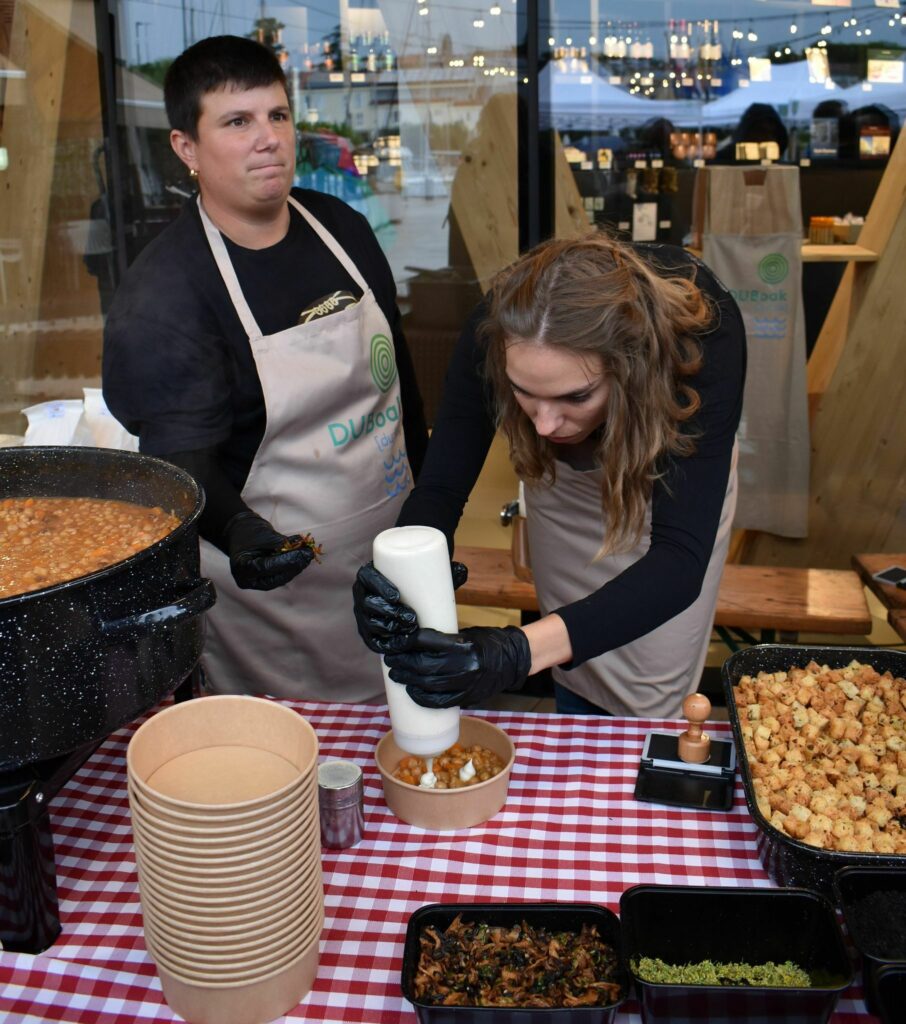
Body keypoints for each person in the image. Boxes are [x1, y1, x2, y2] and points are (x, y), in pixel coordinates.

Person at [103, 35, 427, 701]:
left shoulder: (342, 228)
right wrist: (245, 535)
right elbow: (181, 468)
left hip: (391, 556)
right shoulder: (167, 296)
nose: (268, 139)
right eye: (237, 122)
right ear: (185, 149)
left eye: (278, 115)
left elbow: (399, 380)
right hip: (281, 600)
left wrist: (431, 514)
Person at [353, 235, 746, 718]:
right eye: (523, 392)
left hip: (671, 489)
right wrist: (394, 577)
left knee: (648, 684)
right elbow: (441, 487)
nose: (542, 424)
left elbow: (680, 563)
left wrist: (515, 653)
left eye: (575, 397)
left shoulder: (702, 336)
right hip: (565, 487)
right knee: (573, 660)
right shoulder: (498, 325)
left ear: (630, 368)